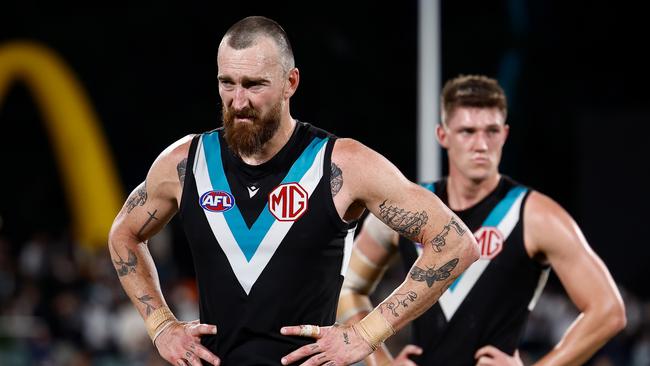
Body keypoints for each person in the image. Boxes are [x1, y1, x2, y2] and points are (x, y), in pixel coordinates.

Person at [108, 16, 480, 366]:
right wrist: (161, 326)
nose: (238, 101)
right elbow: (123, 233)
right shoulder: (187, 163)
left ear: (291, 82)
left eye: (254, 85)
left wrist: (368, 333)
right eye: (227, 83)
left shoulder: (341, 164)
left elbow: (455, 243)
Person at [337, 74, 627, 366]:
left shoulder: (534, 214)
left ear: (505, 134)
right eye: (467, 131)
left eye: (491, 131)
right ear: (442, 135)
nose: (481, 144)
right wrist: (382, 362)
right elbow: (347, 287)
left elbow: (608, 310)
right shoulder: (411, 207)